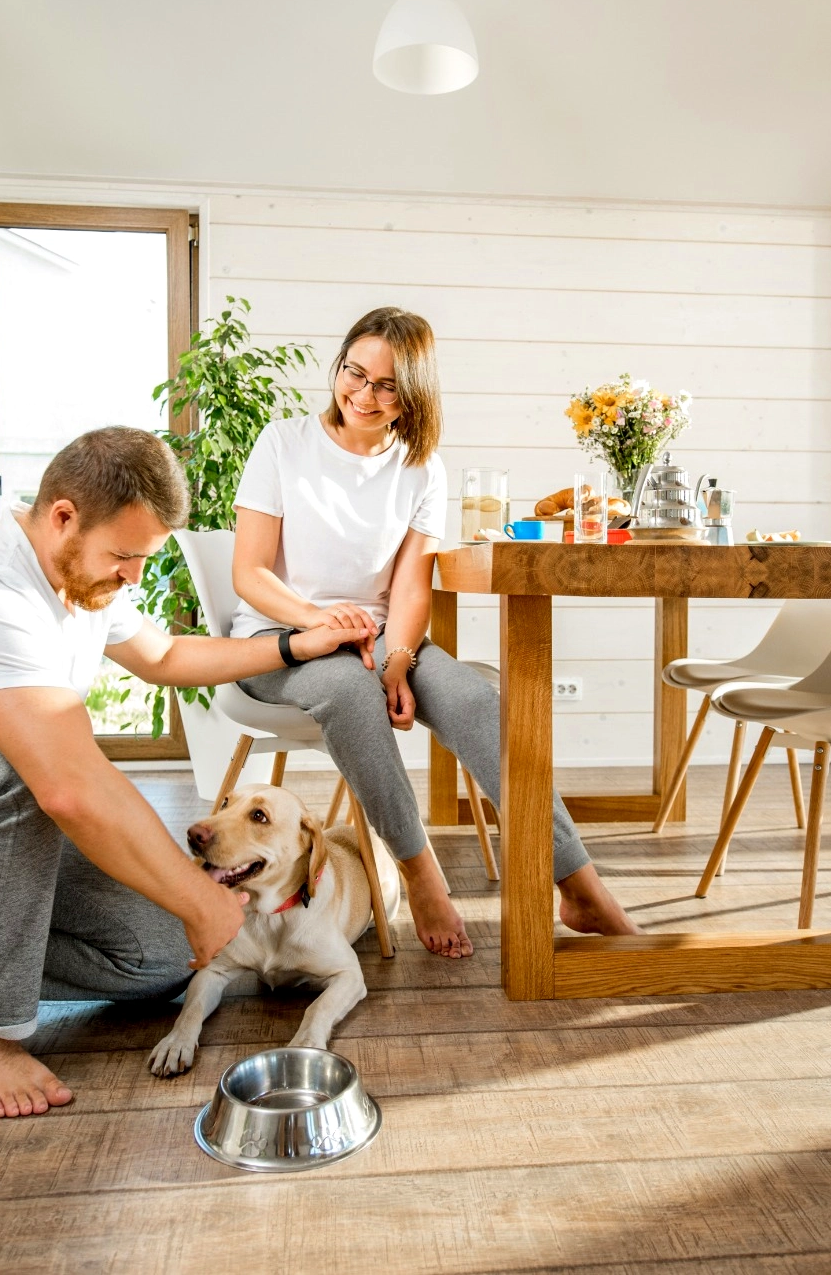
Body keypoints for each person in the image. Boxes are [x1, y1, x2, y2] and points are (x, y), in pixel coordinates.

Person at [0, 426, 371, 1119]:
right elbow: (65, 784)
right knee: (28, 767)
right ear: (63, 516)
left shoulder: (80, 580)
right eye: (125, 555)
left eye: (143, 559)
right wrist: (198, 894)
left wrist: (299, 643)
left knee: (162, 954)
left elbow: (168, 658)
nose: (133, 577)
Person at [230, 306, 639, 957]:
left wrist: (397, 660)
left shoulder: (422, 466)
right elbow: (249, 573)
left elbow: (412, 584)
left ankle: (580, 884)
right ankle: (421, 873)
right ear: (338, 366)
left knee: (479, 701)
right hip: (281, 638)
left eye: (386, 386)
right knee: (346, 687)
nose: (364, 395)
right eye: (354, 373)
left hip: (380, 640)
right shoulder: (283, 445)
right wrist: (321, 621)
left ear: (413, 395)